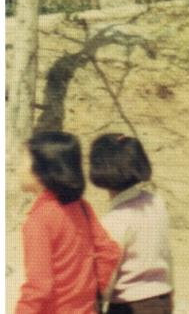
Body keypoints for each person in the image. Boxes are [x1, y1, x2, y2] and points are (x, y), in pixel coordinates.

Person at [17, 131, 122, 314]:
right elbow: (109, 252)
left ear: (43, 170)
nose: (17, 168)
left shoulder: (39, 221)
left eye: (22, 162)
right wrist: (91, 293)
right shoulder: (81, 207)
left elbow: (39, 287)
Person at [89, 134, 174, 314]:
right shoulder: (156, 201)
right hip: (163, 298)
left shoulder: (115, 221)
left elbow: (107, 277)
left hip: (130, 306)